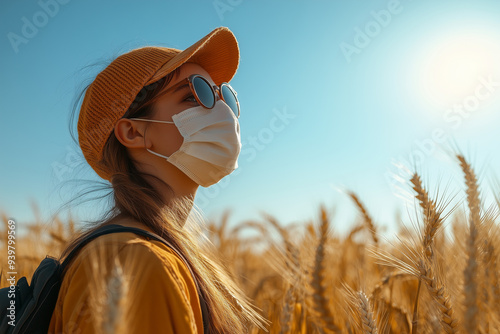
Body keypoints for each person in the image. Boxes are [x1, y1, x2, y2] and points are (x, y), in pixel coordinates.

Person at [48, 26, 268, 334]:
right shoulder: (132, 263)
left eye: (223, 95)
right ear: (134, 132)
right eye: (195, 95)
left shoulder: (154, 253)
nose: (222, 112)